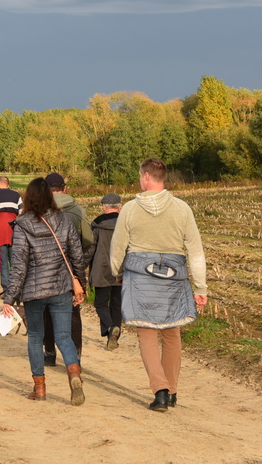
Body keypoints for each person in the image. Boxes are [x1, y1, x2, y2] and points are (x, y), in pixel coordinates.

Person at [110, 158, 207, 413]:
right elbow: (195, 250)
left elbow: (117, 248)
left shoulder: (130, 209)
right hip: (174, 277)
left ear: (146, 177)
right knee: (171, 332)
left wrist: (118, 273)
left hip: (140, 276)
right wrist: (200, 288)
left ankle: (160, 391)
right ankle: (172, 391)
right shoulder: (182, 208)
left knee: (146, 333)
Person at [2, 177, 87, 405]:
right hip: (61, 288)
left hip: (33, 291)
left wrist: (9, 297)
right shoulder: (63, 219)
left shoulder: (21, 225)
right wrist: (81, 284)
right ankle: (74, 372)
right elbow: (76, 255)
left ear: (28, 198)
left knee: (36, 337)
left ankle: (39, 388)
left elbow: (19, 265)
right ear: (50, 196)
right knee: (63, 336)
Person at [42, 172, 94, 366]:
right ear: (65, 188)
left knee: (46, 310)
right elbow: (89, 241)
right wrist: (80, 262)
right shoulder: (77, 211)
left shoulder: (38, 211)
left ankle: (49, 353)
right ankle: (75, 355)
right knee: (73, 312)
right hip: (70, 270)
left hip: (44, 270)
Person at [90, 193, 123, 349]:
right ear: (120, 206)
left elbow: (90, 248)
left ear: (104, 207)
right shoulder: (126, 223)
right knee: (117, 304)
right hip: (122, 269)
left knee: (101, 303)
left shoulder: (97, 224)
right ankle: (114, 336)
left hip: (102, 268)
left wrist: (81, 265)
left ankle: (110, 328)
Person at [0, 176, 22, 291]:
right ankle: (15, 287)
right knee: (14, 261)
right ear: (8, 185)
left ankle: (6, 288)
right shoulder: (16, 195)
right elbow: (22, 213)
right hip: (14, 229)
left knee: (3, 262)